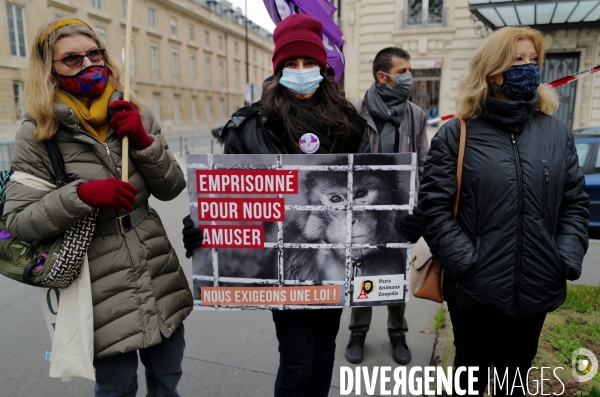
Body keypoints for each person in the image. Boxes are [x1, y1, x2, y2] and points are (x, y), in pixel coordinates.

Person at [181, 13, 423, 397]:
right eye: (291, 64)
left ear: (323, 67)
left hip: (336, 264)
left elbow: (369, 188)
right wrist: (201, 226)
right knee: (296, 361)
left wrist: (401, 221)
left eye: (309, 62)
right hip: (284, 267)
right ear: (278, 69)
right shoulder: (250, 127)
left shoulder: (350, 124)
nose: (301, 71)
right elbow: (226, 196)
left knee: (324, 354)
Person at [4, 18, 193, 396]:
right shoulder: (37, 133)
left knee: (167, 377)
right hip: (95, 284)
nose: (89, 65)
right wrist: (83, 195)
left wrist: (143, 141)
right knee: (117, 387)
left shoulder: (133, 110)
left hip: (156, 266)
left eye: (95, 54)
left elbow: (172, 188)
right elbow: (17, 222)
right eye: (72, 59)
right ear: (49, 70)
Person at [418, 26, 589, 396]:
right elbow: (433, 209)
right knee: (469, 382)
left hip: (536, 290)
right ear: (491, 70)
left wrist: (563, 258)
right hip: (474, 294)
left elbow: (575, 203)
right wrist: (467, 262)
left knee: (514, 382)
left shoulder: (557, 134)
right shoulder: (456, 134)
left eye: (532, 60)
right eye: (516, 60)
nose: (527, 67)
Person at [345, 47, 428, 366]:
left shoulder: (416, 115)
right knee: (362, 267)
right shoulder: (355, 111)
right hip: (363, 209)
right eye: (403, 71)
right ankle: (358, 333)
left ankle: (397, 333)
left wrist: (419, 209)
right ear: (383, 76)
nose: (409, 77)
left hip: (401, 212)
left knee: (396, 273)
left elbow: (423, 165)